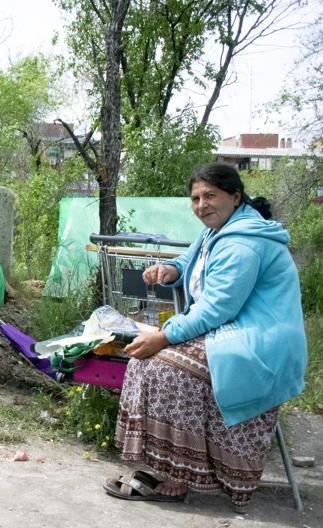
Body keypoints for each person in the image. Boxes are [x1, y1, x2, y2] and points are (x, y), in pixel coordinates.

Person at [104, 163, 307, 512]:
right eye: (196, 198)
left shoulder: (244, 243)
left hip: (260, 344)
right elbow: (191, 258)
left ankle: (184, 474)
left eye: (210, 196)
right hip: (232, 335)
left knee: (166, 368)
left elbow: (215, 309)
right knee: (145, 361)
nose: (202, 205)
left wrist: (165, 336)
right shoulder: (218, 230)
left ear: (235, 197)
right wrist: (172, 270)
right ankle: (171, 466)